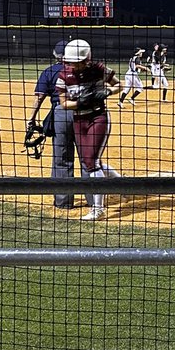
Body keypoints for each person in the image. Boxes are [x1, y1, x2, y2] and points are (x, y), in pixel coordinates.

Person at [56, 38, 121, 221]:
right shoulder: (64, 76)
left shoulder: (99, 69)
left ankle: (97, 209)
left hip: (98, 117)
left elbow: (119, 85)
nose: (73, 66)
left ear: (86, 59)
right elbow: (63, 103)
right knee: (89, 161)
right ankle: (123, 183)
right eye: (71, 63)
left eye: (76, 63)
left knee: (91, 161)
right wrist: (79, 102)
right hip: (79, 119)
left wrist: (107, 92)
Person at [26, 39, 77, 209]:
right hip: (84, 114)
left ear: (55, 54)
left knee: (62, 159)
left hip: (61, 113)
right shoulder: (81, 70)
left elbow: (39, 97)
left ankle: (64, 201)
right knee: (87, 160)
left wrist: (31, 119)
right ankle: (94, 202)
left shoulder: (49, 72)